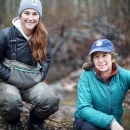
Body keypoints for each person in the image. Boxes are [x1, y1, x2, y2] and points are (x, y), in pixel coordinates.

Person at [0, 0, 60, 130]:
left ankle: (34, 121)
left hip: (32, 83)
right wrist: (8, 76)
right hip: (7, 82)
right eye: (26, 13)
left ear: (39, 17)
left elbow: (47, 58)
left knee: (51, 101)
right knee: (11, 103)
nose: (30, 18)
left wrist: (41, 76)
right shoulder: (5, 34)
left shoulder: (44, 36)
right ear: (20, 14)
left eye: (35, 14)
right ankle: (13, 122)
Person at [73, 39, 129, 130]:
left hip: (115, 125)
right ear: (93, 60)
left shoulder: (124, 76)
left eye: (104, 55)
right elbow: (83, 109)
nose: (100, 60)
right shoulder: (86, 76)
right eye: (96, 57)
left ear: (113, 58)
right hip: (87, 122)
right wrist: (111, 122)